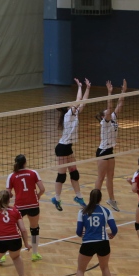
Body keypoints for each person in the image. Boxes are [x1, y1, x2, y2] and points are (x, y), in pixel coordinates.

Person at [68, 189, 118, 276]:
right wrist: (112, 235)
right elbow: (114, 229)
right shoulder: (106, 211)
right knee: (105, 268)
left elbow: (78, 231)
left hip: (88, 243)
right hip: (103, 242)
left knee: (81, 270)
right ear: (100, 199)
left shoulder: (82, 212)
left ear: (90, 198)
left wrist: (82, 234)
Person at [52, 78, 91, 212]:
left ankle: (78, 197)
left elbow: (83, 102)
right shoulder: (69, 114)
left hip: (68, 147)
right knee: (62, 175)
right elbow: (79, 100)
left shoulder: (73, 113)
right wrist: (79, 87)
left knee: (74, 173)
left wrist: (87, 88)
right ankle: (56, 198)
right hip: (62, 148)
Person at [94, 80, 127, 212]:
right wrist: (109, 92)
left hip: (110, 150)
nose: (109, 111)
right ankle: (94, 203)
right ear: (104, 116)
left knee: (110, 176)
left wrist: (123, 91)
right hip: (102, 151)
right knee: (101, 177)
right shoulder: (105, 121)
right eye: (107, 111)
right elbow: (110, 106)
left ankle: (111, 199)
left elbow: (120, 104)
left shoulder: (113, 117)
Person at [6, 154, 46, 262]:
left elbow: (7, 194)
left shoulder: (12, 176)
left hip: (19, 206)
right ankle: (35, 253)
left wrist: (11, 194)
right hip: (33, 204)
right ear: (25, 162)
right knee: (34, 228)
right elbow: (42, 189)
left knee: (11, 229)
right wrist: (38, 196)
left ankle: (3, 254)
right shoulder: (33, 173)